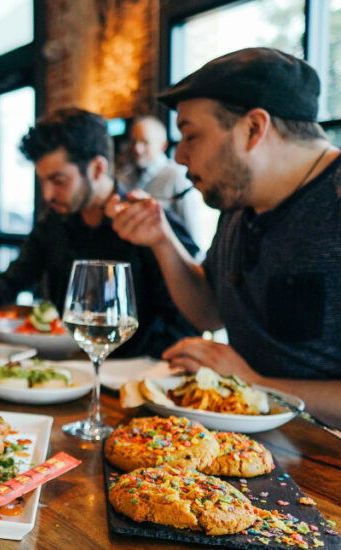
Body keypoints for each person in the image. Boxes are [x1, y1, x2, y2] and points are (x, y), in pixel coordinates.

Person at [107, 47, 341, 425]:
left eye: (190, 136)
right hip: (252, 440)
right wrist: (162, 240)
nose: (180, 156)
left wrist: (255, 383)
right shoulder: (239, 203)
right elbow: (209, 311)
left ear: (253, 128)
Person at [0, 108, 199, 358]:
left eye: (59, 180)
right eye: (42, 181)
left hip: (135, 378)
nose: (47, 195)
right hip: (68, 370)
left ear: (98, 168)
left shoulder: (149, 223)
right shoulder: (53, 224)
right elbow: (10, 282)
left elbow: (189, 320)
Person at [118, 116, 208, 248]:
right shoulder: (124, 176)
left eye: (145, 142)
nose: (137, 148)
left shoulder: (176, 176)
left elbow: (191, 232)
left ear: (163, 145)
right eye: (134, 142)